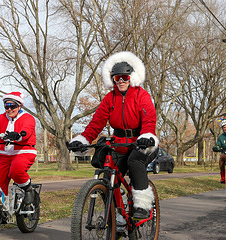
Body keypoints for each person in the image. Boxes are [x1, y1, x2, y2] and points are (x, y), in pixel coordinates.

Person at [67, 51, 158, 220]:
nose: (121, 81)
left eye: (124, 77)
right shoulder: (109, 98)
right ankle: (119, 216)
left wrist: (146, 136)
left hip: (141, 142)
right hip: (119, 143)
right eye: (117, 78)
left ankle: (143, 206)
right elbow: (96, 122)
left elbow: (149, 119)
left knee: (134, 162)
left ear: (131, 77)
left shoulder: (142, 95)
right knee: (108, 176)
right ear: (113, 80)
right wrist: (83, 139)